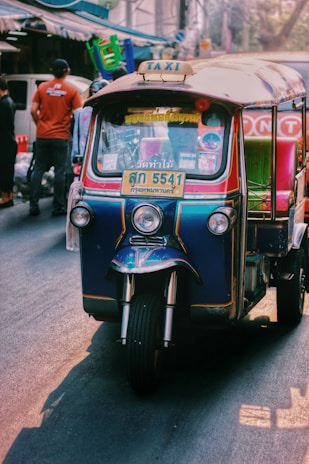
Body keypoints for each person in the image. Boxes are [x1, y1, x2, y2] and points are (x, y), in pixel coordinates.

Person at [29, 58, 82, 216]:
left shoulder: (42, 87)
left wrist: (40, 124)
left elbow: (33, 110)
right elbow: (78, 114)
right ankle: (58, 206)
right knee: (60, 171)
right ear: (67, 71)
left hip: (43, 135)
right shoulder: (71, 90)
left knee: (38, 169)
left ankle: (33, 204)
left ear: (52, 71)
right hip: (61, 136)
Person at [0, 78, 17, 209]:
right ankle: (9, 196)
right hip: (9, 139)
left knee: (4, 169)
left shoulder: (3, 103)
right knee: (8, 169)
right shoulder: (9, 101)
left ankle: (6, 198)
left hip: (5, 141)